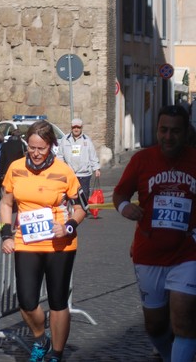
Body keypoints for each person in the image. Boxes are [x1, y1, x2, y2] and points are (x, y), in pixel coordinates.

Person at [113, 105, 196, 362]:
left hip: (187, 254)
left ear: (185, 133)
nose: (168, 137)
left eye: (175, 131)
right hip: (149, 253)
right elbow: (120, 194)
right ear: (157, 130)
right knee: (155, 326)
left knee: (183, 320)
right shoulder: (141, 160)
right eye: (163, 130)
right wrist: (126, 208)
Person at [0, 120, 87, 362]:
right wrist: (6, 234)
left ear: (51, 147)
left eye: (42, 148)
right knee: (27, 301)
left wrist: (68, 226)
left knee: (58, 301)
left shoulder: (64, 171)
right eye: (32, 147)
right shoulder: (16, 168)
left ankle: (56, 354)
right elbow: (6, 204)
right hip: (27, 242)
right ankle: (41, 339)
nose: (36, 153)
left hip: (60, 244)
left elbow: (81, 207)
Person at [57, 118, 100, 199]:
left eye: (78, 127)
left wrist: (96, 168)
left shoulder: (87, 140)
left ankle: (84, 211)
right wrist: (61, 169)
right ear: (71, 128)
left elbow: (92, 155)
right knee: (71, 196)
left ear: (81, 128)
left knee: (84, 195)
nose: (76, 129)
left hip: (84, 174)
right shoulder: (65, 140)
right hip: (70, 174)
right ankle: (73, 211)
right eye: (74, 127)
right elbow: (60, 155)